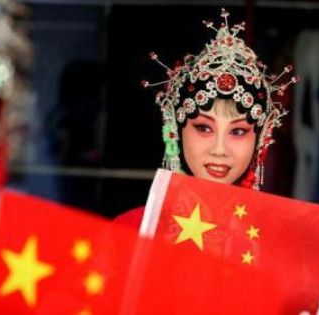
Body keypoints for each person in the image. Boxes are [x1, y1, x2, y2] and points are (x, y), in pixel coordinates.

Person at [115, 8, 297, 228]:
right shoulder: (135, 228)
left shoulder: (274, 239)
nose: (219, 150)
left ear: (261, 139)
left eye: (237, 131)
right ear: (175, 130)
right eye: (204, 128)